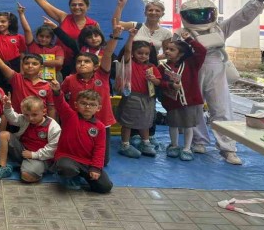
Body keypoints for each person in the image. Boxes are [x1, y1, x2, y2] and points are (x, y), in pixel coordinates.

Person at [182, 0, 264, 165]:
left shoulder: (220, 29)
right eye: (196, 14)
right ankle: (199, 141)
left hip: (216, 69)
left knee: (222, 109)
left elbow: (241, 17)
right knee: (194, 108)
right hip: (193, 70)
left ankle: (228, 148)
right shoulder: (182, 34)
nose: (201, 18)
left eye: (204, 14)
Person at [54, 17, 123, 166]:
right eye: (79, 62)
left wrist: (114, 37)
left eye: (86, 62)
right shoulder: (69, 79)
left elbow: (108, 53)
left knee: (103, 162)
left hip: (102, 119)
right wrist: (56, 91)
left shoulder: (102, 75)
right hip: (77, 122)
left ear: (96, 66)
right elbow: (60, 99)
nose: (82, 64)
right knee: (75, 154)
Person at [18, 0, 98, 74]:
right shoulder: (63, 17)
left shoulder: (93, 24)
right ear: (69, 7)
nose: (77, 7)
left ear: (87, 7)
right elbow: (44, 4)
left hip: (81, 64)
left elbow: (98, 45)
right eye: (73, 5)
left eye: (81, 4)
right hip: (57, 63)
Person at [52, 85, 113, 194]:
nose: (87, 107)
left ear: (98, 108)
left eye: (92, 104)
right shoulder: (69, 116)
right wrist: (57, 92)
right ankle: (68, 176)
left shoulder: (100, 127)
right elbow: (60, 103)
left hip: (87, 162)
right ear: (76, 105)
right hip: (67, 157)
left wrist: (96, 168)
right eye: (83, 103)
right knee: (66, 168)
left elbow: (100, 148)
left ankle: (80, 175)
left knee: (105, 187)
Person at [158, 32, 207, 161]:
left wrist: (189, 40)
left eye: (172, 50)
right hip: (172, 102)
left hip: (189, 101)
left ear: (181, 53)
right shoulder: (162, 67)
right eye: (166, 49)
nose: (167, 51)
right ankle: (174, 145)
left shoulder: (191, 64)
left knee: (188, 125)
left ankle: (187, 148)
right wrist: (169, 85)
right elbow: (159, 82)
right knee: (173, 124)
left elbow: (202, 51)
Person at [116, 29, 162, 159]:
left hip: (147, 98)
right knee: (127, 123)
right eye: (140, 53)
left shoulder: (152, 67)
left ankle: (145, 143)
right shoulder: (129, 63)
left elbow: (159, 82)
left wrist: (153, 79)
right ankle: (125, 145)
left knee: (145, 122)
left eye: (146, 54)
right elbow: (127, 51)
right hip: (131, 97)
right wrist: (131, 37)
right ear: (133, 53)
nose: (143, 56)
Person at [0, 96, 61, 183]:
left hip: (40, 157)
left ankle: (27, 167)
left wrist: (33, 155)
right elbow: (13, 118)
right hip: (22, 150)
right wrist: (7, 107)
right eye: (26, 115)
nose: (30, 118)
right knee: (3, 135)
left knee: (27, 176)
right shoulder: (25, 119)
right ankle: (3, 167)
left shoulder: (53, 127)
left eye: (34, 115)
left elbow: (52, 150)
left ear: (44, 111)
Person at [0, 43, 55, 119]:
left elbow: (51, 108)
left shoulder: (47, 86)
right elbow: (2, 65)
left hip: (39, 122)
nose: (30, 66)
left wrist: (50, 124)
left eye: (34, 64)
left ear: (41, 67)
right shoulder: (16, 78)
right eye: (26, 63)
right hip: (18, 120)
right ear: (22, 65)